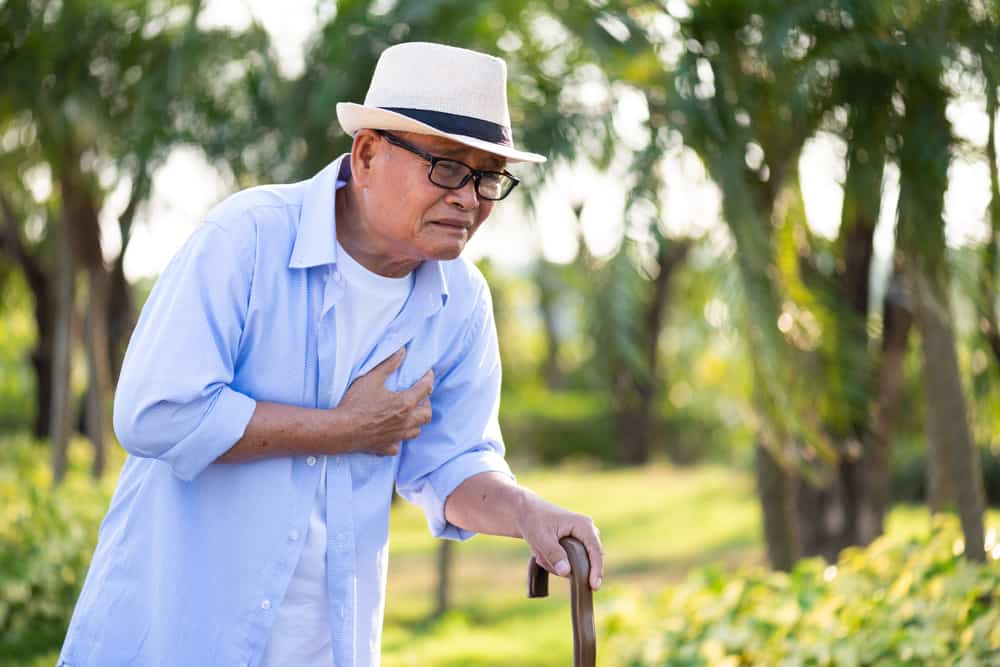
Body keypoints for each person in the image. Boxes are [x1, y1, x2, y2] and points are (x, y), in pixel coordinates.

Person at [58, 41, 604, 667]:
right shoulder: (247, 240)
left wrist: (527, 511)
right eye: (450, 167)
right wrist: (346, 429)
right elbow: (155, 413)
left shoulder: (461, 300)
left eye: (487, 176)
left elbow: (451, 462)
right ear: (368, 153)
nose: (469, 198)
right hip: (171, 638)